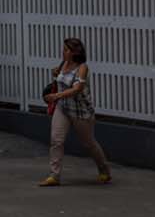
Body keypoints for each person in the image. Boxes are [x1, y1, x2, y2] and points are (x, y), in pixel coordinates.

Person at [39, 37, 111, 186]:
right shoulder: (63, 64)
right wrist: (56, 75)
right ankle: (54, 175)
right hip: (63, 108)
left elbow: (77, 89)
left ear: (75, 52)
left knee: (89, 143)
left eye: (66, 50)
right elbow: (60, 80)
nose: (63, 52)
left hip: (80, 111)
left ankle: (104, 169)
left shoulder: (82, 68)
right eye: (63, 49)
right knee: (56, 140)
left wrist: (56, 96)